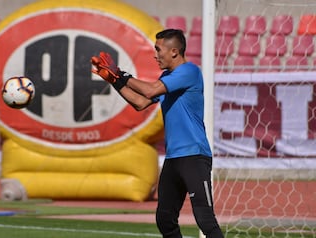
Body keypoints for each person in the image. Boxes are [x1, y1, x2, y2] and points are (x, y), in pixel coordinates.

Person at [91, 29, 224, 238]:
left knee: (205, 220)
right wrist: (114, 80)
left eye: (158, 49)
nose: (155, 54)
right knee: (164, 219)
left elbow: (150, 91)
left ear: (173, 51)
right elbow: (141, 102)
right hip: (173, 159)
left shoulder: (190, 71)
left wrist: (120, 73)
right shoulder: (167, 77)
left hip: (194, 156)